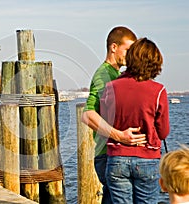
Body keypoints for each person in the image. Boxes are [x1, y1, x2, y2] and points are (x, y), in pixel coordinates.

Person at [101, 37, 170, 203]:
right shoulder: (159, 91)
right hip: (147, 158)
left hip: (117, 159)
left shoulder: (111, 87)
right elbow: (163, 132)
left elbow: (104, 123)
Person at [81, 26, 145, 203]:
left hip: (112, 153)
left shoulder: (116, 73)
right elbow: (88, 115)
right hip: (105, 153)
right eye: (128, 50)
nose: (131, 55)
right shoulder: (104, 75)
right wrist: (120, 136)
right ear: (114, 47)